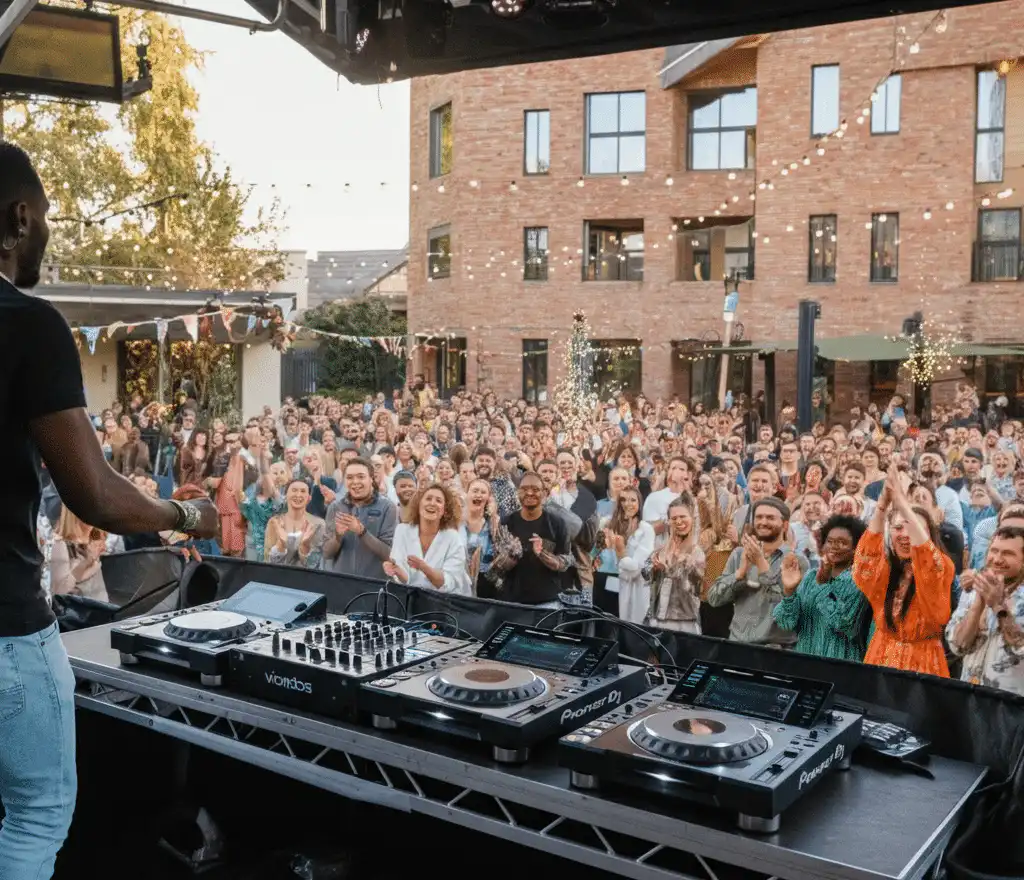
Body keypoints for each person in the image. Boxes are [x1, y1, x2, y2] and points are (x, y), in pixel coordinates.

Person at [0, 144, 217, 880]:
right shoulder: (27, 324)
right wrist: (184, 516)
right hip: (4, 629)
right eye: (46, 217)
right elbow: (92, 492)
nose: (46, 230)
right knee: (37, 813)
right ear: (18, 219)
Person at [853, 463, 954, 677]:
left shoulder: (942, 566)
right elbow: (864, 564)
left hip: (922, 664)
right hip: (880, 657)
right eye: (898, 528)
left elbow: (928, 560)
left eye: (913, 528)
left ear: (928, 535)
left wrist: (901, 501)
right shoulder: (887, 569)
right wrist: (883, 505)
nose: (905, 534)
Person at [707, 498, 807, 647]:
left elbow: (790, 612)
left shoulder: (796, 561)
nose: (763, 522)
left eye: (770, 517)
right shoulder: (739, 554)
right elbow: (714, 599)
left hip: (777, 648)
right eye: (759, 517)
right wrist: (739, 574)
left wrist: (762, 566)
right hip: (738, 644)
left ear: (785, 525)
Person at [774, 514, 871, 661]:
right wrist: (789, 591)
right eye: (829, 541)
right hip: (805, 663)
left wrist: (824, 584)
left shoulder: (859, 581)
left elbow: (844, 623)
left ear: (856, 548)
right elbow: (786, 623)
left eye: (842, 542)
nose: (834, 546)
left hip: (841, 665)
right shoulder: (811, 576)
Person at [946, 526, 1024, 694]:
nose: (997, 559)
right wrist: (978, 604)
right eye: (994, 551)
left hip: (1010, 704)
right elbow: (958, 646)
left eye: (1008, 554)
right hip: (971, 699)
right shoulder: (974, 589)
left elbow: (1021, 650)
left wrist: (998, 606)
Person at [496, 471, 572, 607]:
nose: (530, 493)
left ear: (544, 493)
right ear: (518, 492)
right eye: (524, 489)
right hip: (512, 601)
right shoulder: (506, 522)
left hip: (547, 601)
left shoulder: (557, 523)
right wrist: (511, 557)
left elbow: (565, 563)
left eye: (535, 489)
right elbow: (497, 567)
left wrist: (542, 553)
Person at [385, 483, 471, 594]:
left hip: (446, 601)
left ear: (444, 511)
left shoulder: (453, 537)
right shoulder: (402, 531)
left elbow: (448, 584)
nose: (432, 503)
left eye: (438, 501)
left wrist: (423, 567)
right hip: (413, 598)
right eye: (428, 499)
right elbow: (406, 580)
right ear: (419, 505)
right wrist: (396, 571)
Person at [322, 457, 397, 579]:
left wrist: (362, 532)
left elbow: (389, 554)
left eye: (361, 477)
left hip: (374, 584)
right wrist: (338, 536)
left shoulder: (388, 507)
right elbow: (326, 553)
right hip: (341, 582)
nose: (355, 482)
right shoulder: (336, 507)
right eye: (350, 477)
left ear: (371, 479)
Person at [641, 494, 705, 632]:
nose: (679, 521)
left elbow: (695, 585)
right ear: (669, 521)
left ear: (692, 519)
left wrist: (670, 568)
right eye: (674, 518)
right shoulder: (660, 550)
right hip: (657, 619)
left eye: (683, 516)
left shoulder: (697, 552)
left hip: (685, 622)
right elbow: (644, 573)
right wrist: (654, 568)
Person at [596, 486, 655, 623]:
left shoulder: (645, 529)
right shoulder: (607, 524)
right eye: (623, 500)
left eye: (633, 500)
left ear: (639, 503)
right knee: (604, 626)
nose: (628, 504)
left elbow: (637, 567)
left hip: (634, 589)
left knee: (630, 627)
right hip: (605, 581)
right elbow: (596, 554)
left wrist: (621, 552)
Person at [264, 479, 326, 569]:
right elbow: (267, 562)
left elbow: (314, 565)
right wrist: (280, 545)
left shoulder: (318, 524)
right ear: (286, 495)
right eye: (294, 490)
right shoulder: (275, 522)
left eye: (303, 491)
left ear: (309, 498)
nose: (298, 495)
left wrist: (305, 546)